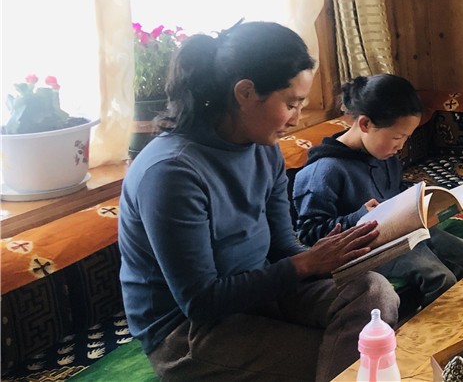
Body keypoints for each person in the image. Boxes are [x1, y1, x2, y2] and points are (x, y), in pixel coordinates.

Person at [118, 21, 399, 382]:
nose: (297, 118)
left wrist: (336, 255)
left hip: (257, 296)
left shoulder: (264, 151)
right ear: (245, 92)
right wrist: (306, 263)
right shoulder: (172, 172)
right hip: (187, 331)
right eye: (291, 104)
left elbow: (282, 248)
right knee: (353, 352)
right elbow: (201, 302)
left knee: (373, 291)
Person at [293, 74, 463, 309]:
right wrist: (358, 217)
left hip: (402, 234)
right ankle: (434, 329)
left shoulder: (384, 155)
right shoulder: (323, 171)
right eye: (397, 137)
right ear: (365, 124)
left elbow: (393, 193)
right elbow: (310, 234)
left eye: (406, 137)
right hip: (365, 250)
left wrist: (422, 203)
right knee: (439, 277)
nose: (401, 146)